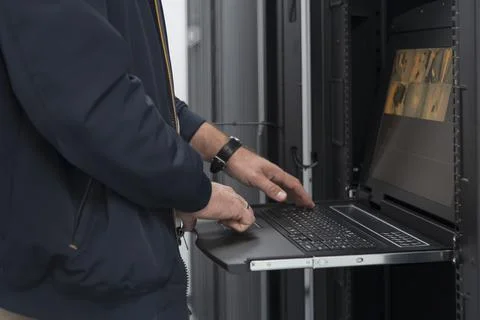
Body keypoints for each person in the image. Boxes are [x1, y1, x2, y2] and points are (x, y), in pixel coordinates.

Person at [0, 1, 314, 319]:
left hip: (99, 273)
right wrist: (197, 191)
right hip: (74, 289)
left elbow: (127, 82)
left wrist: (226, 151)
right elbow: (93, 105)